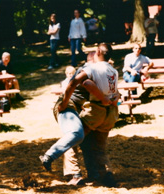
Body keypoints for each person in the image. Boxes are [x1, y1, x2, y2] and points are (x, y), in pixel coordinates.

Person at [38, 49, 114, 186]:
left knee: (90, 141)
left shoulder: (102, 71)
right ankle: (71, 171)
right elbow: (75, 84)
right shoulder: (88, 70)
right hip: (69, 105)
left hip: (86, 109)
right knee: (76, 135)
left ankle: (96, 173)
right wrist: (64, 104)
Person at [59, 43, 120, 187]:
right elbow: (116, 93)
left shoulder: (92, 68)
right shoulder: (113, 71)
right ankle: (104, 174)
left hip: (95, 112)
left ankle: (74, 175)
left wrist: (63, 103)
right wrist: (111, 100)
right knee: (98, 146)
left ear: (98, 52)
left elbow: (81, 82)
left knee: (72, 139)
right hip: (110, 113)